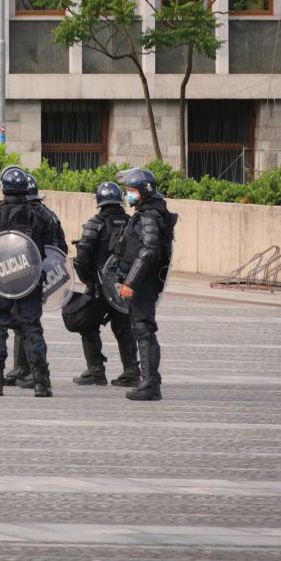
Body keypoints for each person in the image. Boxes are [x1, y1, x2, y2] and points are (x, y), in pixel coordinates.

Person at [0, 166, 68, 397]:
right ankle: (41, 384)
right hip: (31, 281)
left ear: (3, 188)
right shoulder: (43, 215)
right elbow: (57, 251)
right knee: (32, 329)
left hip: (1, 280)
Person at [113, 167, 179, 401]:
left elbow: (149, 250)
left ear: (144, 192)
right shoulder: (148, 211)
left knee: (144, 329)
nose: (128, 195)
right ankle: (149, 380)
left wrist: (131, 282)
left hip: (144, 283)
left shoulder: (150, 215)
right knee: (142, 328)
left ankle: (150, 384)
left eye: (132, 190)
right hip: (142, 281)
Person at [70, 182, 140, 387]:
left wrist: (88, 281)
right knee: (124, 328)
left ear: (99, 200)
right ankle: (132, 371)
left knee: (88, 326)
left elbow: (81, 260)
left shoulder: (95, 224)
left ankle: (96, 370)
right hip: (124, 287)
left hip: (99, 287)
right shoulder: (131, 223)